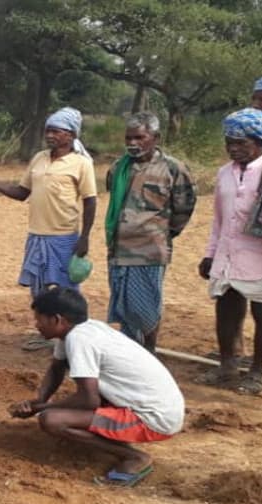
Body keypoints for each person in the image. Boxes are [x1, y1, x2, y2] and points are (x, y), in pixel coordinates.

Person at [8, 287, 184, 487]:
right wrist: (39, 399)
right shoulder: (81, 330)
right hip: (157, 406)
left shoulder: (79, 339)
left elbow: (88, 400)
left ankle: (134, 457)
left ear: (57, 320)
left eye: (39, 319)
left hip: (155, 419)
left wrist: (40, 409)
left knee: (52, 420)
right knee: (58, 410)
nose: (36, 325)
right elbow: (57, 367)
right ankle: (113, 441)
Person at [196, 108, 262, 395]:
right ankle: (227, 365)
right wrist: (210, 254)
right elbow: (219, 220)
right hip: (229, 255)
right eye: (229, 142)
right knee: (226, 311)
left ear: (259, 141)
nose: (234, 148)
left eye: (241, 142)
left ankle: (257, 370)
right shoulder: (224, 174)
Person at [0, 107, 98, 351]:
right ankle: (47, 334)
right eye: (48, 130)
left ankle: (74, 338)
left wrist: (84, 238)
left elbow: (90, 201)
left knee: (65, 290)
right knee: (39, 290)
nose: (50, 135)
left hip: (64, 237)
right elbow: (21, 193)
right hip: (37, 236)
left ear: (71, 135)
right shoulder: (39, 158)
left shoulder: (81, 164)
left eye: (56, 131)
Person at [104, 112, 197, 352]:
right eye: (128, 138)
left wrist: (164, 233)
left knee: (146, 309)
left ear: (155, 138)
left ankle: (149, 352)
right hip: (118, 250)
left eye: (139, 137)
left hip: (149, 251)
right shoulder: (118, 168)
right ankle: (130, 352)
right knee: (124, 306)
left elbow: (184, 206)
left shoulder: (172, 168)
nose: (133, 143)